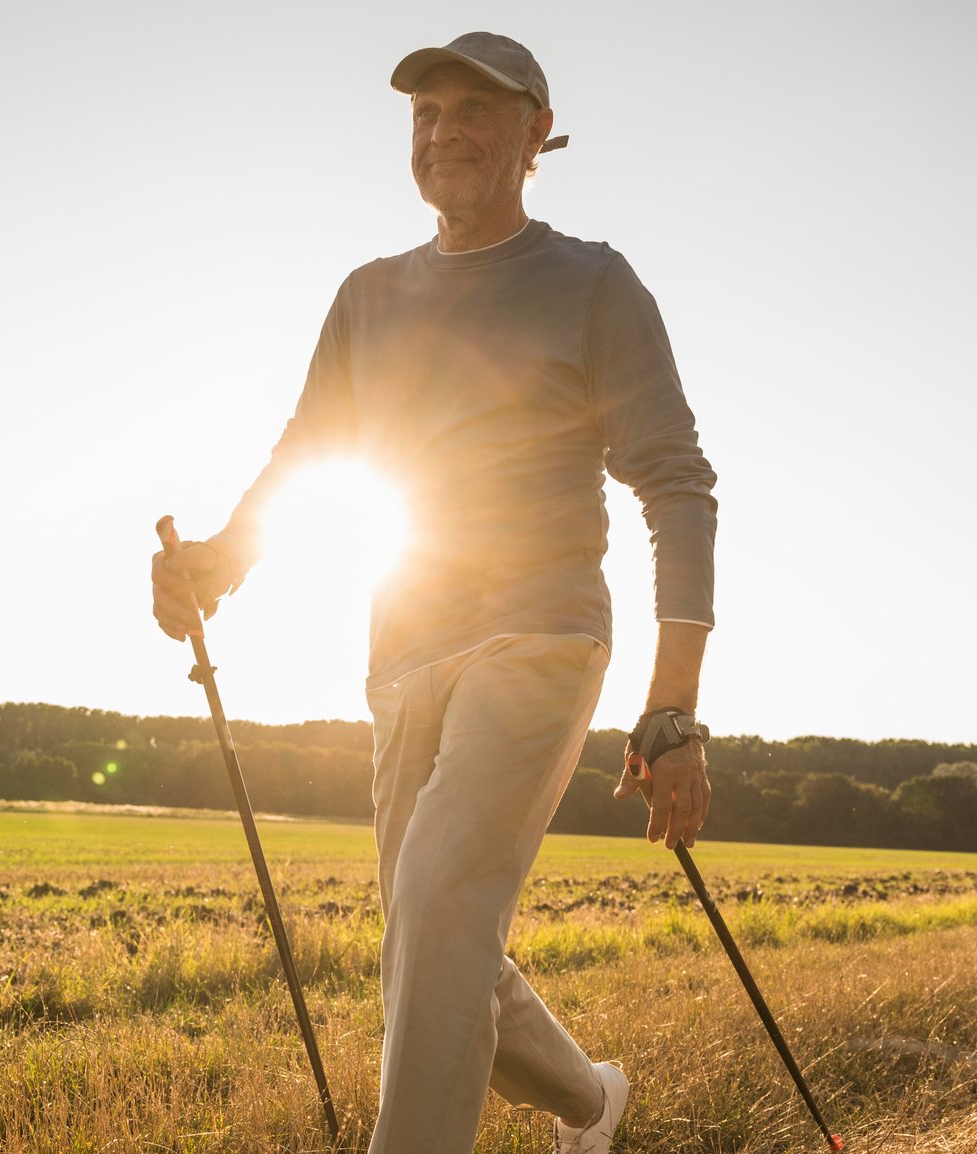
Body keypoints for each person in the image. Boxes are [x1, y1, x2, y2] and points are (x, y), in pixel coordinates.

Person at [150, 31, 718, 1154]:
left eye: (471, 110)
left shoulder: (593, 282)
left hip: (541, 633)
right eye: (423, 113)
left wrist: (672, 703)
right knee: (432, 929)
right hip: (402, 648)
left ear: (533, 137)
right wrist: (221, 557)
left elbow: (676, 482)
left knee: (439, 901)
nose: (441, 131)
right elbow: (311, 452)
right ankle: (589, 1099)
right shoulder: (367, 295)